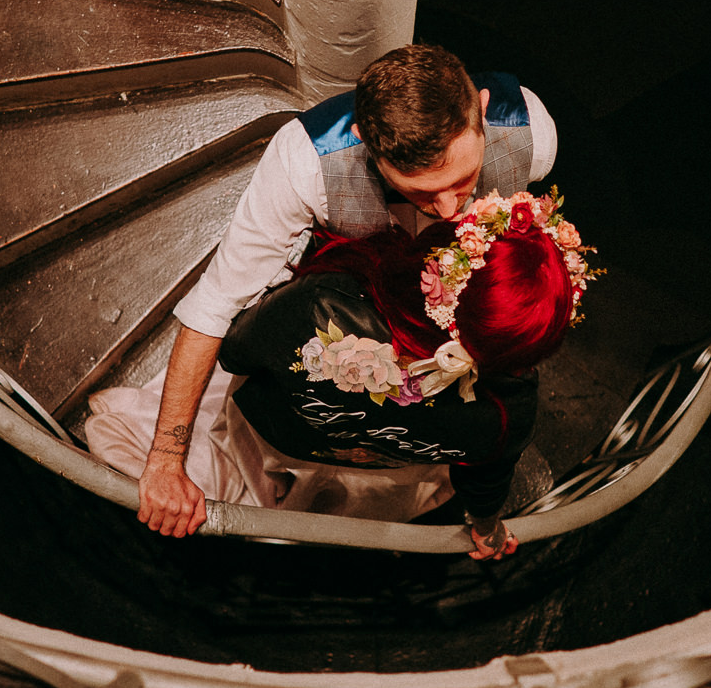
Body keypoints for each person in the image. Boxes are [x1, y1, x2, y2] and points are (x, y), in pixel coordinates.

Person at [108, 45, 560, 551]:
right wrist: (167, 460)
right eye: (419, 192)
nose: (449, 210)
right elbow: (216, 302)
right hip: (354, 297)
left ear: (479, 109)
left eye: (462, 181)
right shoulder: (304, 161)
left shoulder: (532, 135)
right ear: (366, 142)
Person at [85, 189, 592, 558]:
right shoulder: (512, 412)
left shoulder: (318, 308)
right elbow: (485, 482)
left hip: (269, 444)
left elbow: (235, 354)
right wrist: (485, 529)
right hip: (381, 480)